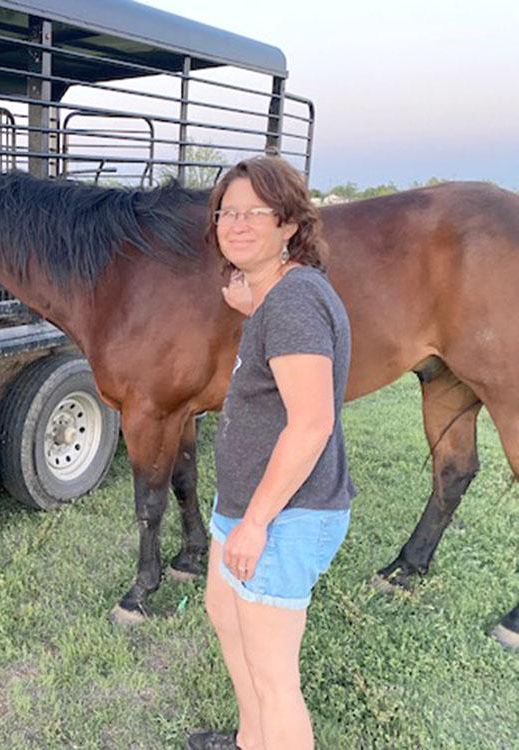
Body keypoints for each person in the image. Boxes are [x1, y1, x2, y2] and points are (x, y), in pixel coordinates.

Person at [187, 157, 355, 750]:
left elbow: (311, 423)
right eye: (226, 212)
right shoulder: (280, 298)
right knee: (225, 614)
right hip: (246, 505)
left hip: (283, 515)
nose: (234, 224)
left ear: (287, 224)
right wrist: (251, 308)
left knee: (274, 676)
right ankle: (248, 740)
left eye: (252, 213)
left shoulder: (293, 303)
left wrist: (256, 523)